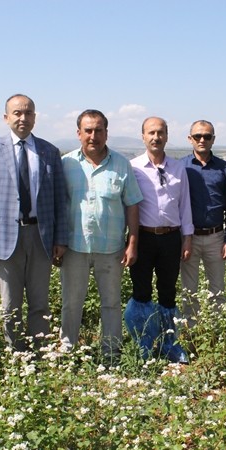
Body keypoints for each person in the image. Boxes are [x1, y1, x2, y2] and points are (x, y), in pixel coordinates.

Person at [0, 94, 68, 353]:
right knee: (10, 304)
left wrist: (60, 239)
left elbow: (60, 200)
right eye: (17, 113)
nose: (23, 118)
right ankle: (17, 354)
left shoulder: (49, 151)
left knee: (40, 302)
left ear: (35, 118)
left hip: (41, 236)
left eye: (28, 113)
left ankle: (40, 354)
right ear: (6, 118)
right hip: (5, 237)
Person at [59, 109, 143, 361]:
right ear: (78, 133)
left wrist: (132, 243)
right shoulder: (66, 164)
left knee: (111, 303)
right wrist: (57, 242)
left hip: (112, 248)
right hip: (75, 247)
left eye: (98, 130)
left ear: (106, 133)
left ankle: (111, 353)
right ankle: (67, 351)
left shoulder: (121, 164)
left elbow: (132, 204)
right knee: (71, 304)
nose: (93, 135)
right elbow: (57, 205)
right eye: (88, 130)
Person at [125, 117, 193, 363]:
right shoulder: (133, 167)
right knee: (141, 292)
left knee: (168, 293)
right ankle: (143, 342)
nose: (156, 137)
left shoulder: (178, 168)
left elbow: (185, 206)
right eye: (151, 132)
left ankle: (170, 344)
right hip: (143, 237)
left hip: (171, 238)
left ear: (167, 135)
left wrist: (187, 238)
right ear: (143, 136)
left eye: (161, 132)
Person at [179, 120, 226, 323]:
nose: (202, 140)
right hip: (188, 237)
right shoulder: (180, 167)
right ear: (190, 139)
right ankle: (193, 333)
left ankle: (216, 334)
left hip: (216, 237)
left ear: (213, 139)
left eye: (207, 136)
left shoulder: (224, 169)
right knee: (189, 290)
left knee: (218, 289)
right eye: (197, 136)